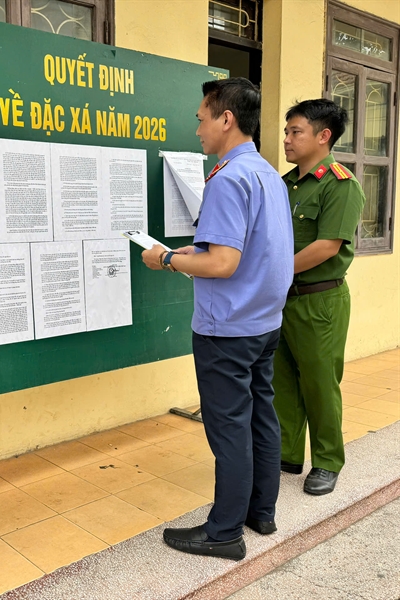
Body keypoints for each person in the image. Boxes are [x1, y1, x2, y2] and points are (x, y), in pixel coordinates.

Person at [142, 77, 294, 561]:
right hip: (265, 322)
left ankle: (224, 532)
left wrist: (166, 259)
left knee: (229, 427)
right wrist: (199, 251)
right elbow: (252, 249)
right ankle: (260, 512)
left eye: (202, 118)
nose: (198, 129)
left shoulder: (227, 177)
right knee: (261, 417)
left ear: (226, 118)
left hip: (227, 328)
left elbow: (224, 265)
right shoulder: (266, 172)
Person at [273, 99, 365, 496]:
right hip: (283, 298)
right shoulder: (285, 183)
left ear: (323, 136)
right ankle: (287, 453)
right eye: (287, 132)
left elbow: (327, 245)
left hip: (320, 301)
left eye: (296, 132)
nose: (287, 140)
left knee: (320, 383)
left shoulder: (341, 184)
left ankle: (327, 461)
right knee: (283, 380)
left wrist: (270, 273)